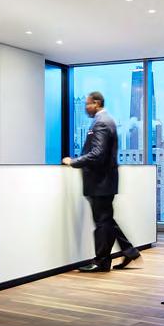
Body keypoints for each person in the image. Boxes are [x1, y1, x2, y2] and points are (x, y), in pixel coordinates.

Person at [63, 91, 140, 272]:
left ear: (97, 103)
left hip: (100, 182)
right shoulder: (106, 121)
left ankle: (102, 261)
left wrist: (73, 162)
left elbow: (97, 154)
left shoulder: (101, 123)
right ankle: (129, 251)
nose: (85, 108)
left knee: (102, 223)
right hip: (104, 182)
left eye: (88, 104)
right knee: (106, 220)